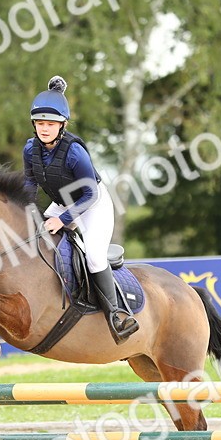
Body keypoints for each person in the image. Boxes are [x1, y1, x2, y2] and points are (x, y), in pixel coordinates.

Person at [22, 75, 139, 343]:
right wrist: (28, 214)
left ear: (62, 125)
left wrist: (62, 220)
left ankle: (116, 315)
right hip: (63, 201)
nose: (44, 129)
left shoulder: (74, 152)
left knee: (95, 257)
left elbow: (90, 194)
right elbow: (29, 184)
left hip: (93, 204)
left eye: (50, 124)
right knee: (35, 239)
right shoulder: (30, 150)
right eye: (40, 123)